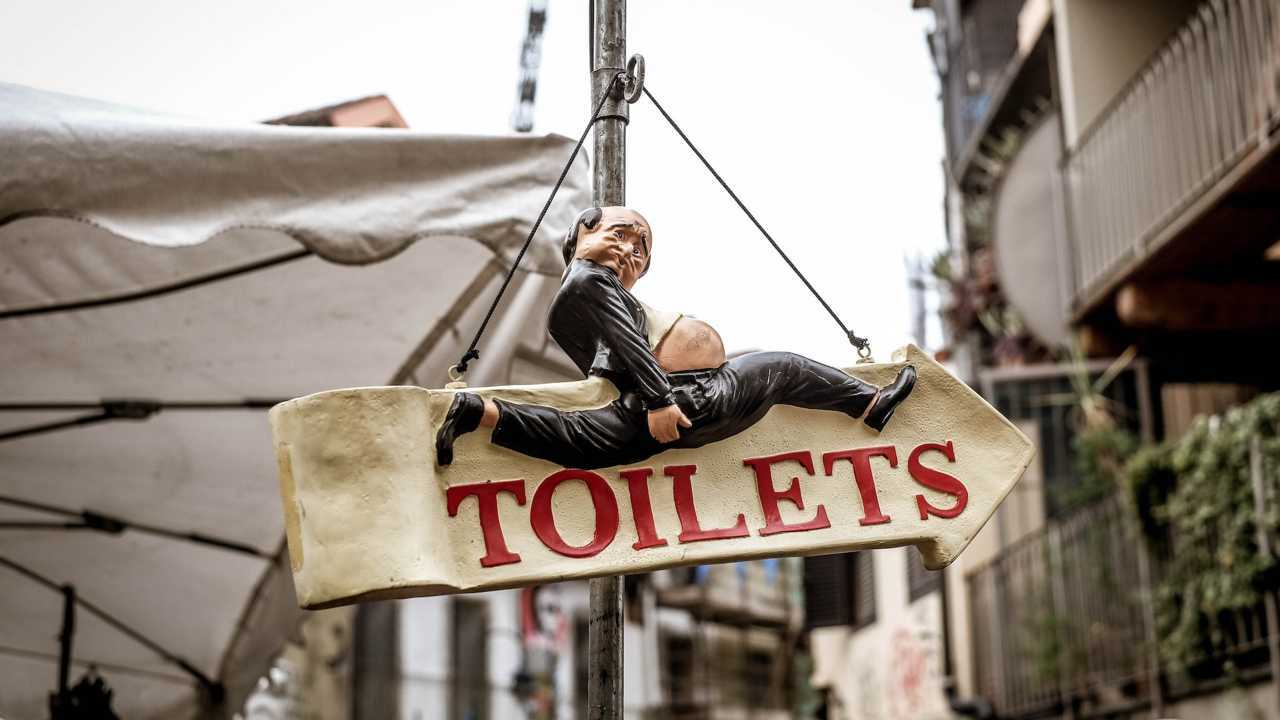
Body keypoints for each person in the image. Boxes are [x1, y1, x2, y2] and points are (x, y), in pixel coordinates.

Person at [435, 206, 916, 470]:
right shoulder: (587, 281)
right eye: (620, 235)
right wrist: (661, 399)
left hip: (658, 400)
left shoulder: (583, 295)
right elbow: (628, 342)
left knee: (581, 442)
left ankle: (477, 411)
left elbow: (607, 358)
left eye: (640, 252)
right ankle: (871, 405)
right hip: (689, 398)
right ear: (583, 230)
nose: (629, 251)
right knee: (782, 368)